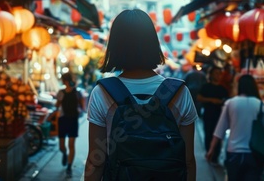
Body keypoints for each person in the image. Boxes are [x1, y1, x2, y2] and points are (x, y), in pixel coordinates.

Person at [84, 9, 197, 181]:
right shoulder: (179, 92)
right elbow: (188, 160)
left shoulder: (102, 92)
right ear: (153, 42)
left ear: (114, 46)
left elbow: (96, 161)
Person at [206, 74, 264, 181]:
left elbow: (220, 129)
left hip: (234, 153)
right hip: (254, 154)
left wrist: (211, 149)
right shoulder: (262, 105)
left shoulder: (231, 103)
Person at [197, 66, 229, 164]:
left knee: (218, 135)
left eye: (220, 73)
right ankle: (209, 153)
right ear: (211, 75)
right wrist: (211, 100)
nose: (218, 75)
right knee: (208, 133)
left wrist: (221, 102)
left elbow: (226, 101)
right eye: (216, 73)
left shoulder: (223, 88)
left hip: (220, 115)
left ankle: (215, 155)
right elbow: (199, 98)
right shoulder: (206, 86)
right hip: (208, 114)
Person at [55, 72, 84, 176]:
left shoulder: (77, 93)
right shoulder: (61, 92)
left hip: (73, 120)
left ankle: (69, 166)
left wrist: (80, 109)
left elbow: (82, 106)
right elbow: (57, 105)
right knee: (61, 146)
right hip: (62, 119)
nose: (66, 82)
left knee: (71, 144)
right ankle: (64, 154)